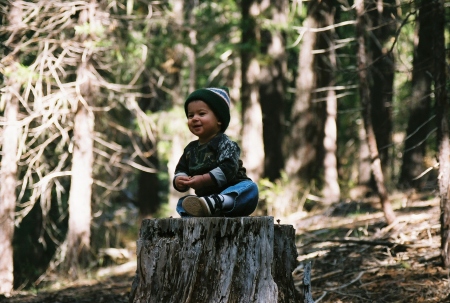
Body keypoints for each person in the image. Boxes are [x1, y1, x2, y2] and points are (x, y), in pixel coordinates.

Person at [173, 86, 259, 217]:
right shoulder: (190, 149)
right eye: (191, 115)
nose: (195, 118)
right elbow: (181, 168)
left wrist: (202, 180)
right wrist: (180, 180)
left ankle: (220, 202)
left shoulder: (225, 143)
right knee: (182, 203)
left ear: (219, 119)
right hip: (206, 196)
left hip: (232, 189)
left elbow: (228, 168)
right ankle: (206, 206)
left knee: (250, 189)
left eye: (201, 114)